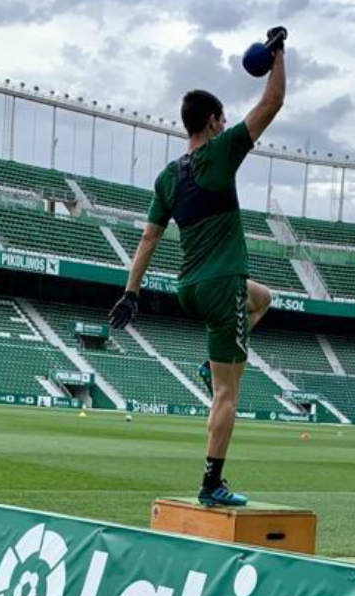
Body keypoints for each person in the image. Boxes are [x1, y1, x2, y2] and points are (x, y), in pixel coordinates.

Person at [108, 43, 286, 507]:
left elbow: (148, 240)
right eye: (222, 120)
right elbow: (272, 103)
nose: (226, 126)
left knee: (264, 298)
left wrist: (131, 293)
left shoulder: (168, 177)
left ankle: (210, 364)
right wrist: (279, 54)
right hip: (222, 282)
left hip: (189, 286)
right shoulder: (222, 152)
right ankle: (212, 482)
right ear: (211, 122)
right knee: (228, 395)